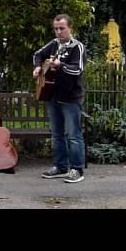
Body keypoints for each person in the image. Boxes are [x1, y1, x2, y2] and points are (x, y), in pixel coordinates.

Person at [32, 14, 87, 183]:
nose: (58, 32)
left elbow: (77, 70)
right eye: (56, 29)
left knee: (73, 135)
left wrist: (60, 65)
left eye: (62, 28)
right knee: (56, 134)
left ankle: (77, 169)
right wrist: (37, 67)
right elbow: (38, 54)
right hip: (52, 95)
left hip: (70, 97)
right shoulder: (54, 44)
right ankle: (60, 166)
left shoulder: (77, 47)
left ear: (71, 28)